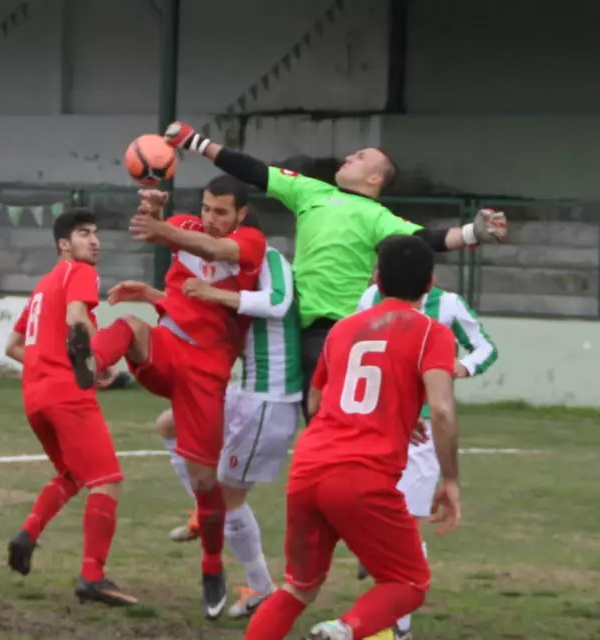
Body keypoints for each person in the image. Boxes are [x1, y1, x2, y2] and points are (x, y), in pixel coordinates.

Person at [204, 234, 461, 640]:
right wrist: (450, 478)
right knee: (408, 583)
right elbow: (444, 409)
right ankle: (344, 631)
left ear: (376, 279)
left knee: (297, 586)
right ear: (429, 284)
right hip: (361, 476)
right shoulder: (432, 333)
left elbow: (322, 402)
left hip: (311, 467)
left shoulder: (343, 330)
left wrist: (394, 415)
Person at [161, 120, 506, 422]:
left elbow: (427, 238)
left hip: (337, 329)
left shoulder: (378, 217)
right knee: (287, 409)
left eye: (361, 157)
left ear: (375, 177)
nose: (350, 156)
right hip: (291, 326)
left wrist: (474, 232)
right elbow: (252, 170)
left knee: (326, 416)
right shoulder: (310, 190)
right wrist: (196, 143)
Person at [77, 176, 266, 620]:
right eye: (206, 208)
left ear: (241, 214)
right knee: (129, 326)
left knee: (206, 486)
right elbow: (174, 249)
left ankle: (212, 566)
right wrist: (155, 209)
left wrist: (162, 227)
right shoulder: (183, 225)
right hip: (169, 347)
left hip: (207, 374)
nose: (211, 218)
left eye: (222, 211)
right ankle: (93, 366)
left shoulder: (250, 243)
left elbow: (214, 253)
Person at [158, 233, 301, 619]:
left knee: (229, 497)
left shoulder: (271, 261)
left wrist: (215, 295)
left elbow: (277, 302)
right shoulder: (233, 270)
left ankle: (261, 587)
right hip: (245, 390)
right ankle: (204, 512)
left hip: (268, 399)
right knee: (170, 425)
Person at [354, 280, 499, 640]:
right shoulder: (370, 299)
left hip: (422, 433)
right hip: (379, 423)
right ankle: (375, 564)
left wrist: (460, 367)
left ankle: (398, 623)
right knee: (365, 508)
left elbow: (485, 347)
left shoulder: (448, 305)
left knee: (403, 523)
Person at [3, 209, 136, 607]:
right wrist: (100, 364)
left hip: (35, 398)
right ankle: (92, 576)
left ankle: (27, 533)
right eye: (83, 234)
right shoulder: (79, 272)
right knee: (107, 479)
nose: (94, 241)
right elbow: (77, 316)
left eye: (96, 233)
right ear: (65, 244)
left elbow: (12, 346)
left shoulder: (42, 286)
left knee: (72, 474)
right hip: (67, 396)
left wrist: (50, 368)